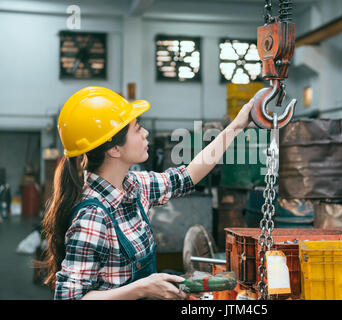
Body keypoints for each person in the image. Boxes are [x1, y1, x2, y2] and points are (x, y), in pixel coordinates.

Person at [41, 86, 254, 300]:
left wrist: (237, 125)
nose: (146, 133)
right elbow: (70, 298)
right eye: (137, 128)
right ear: (114, 149)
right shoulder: (93, 216)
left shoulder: (134, 185)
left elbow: (187, 176)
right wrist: (143, 288)